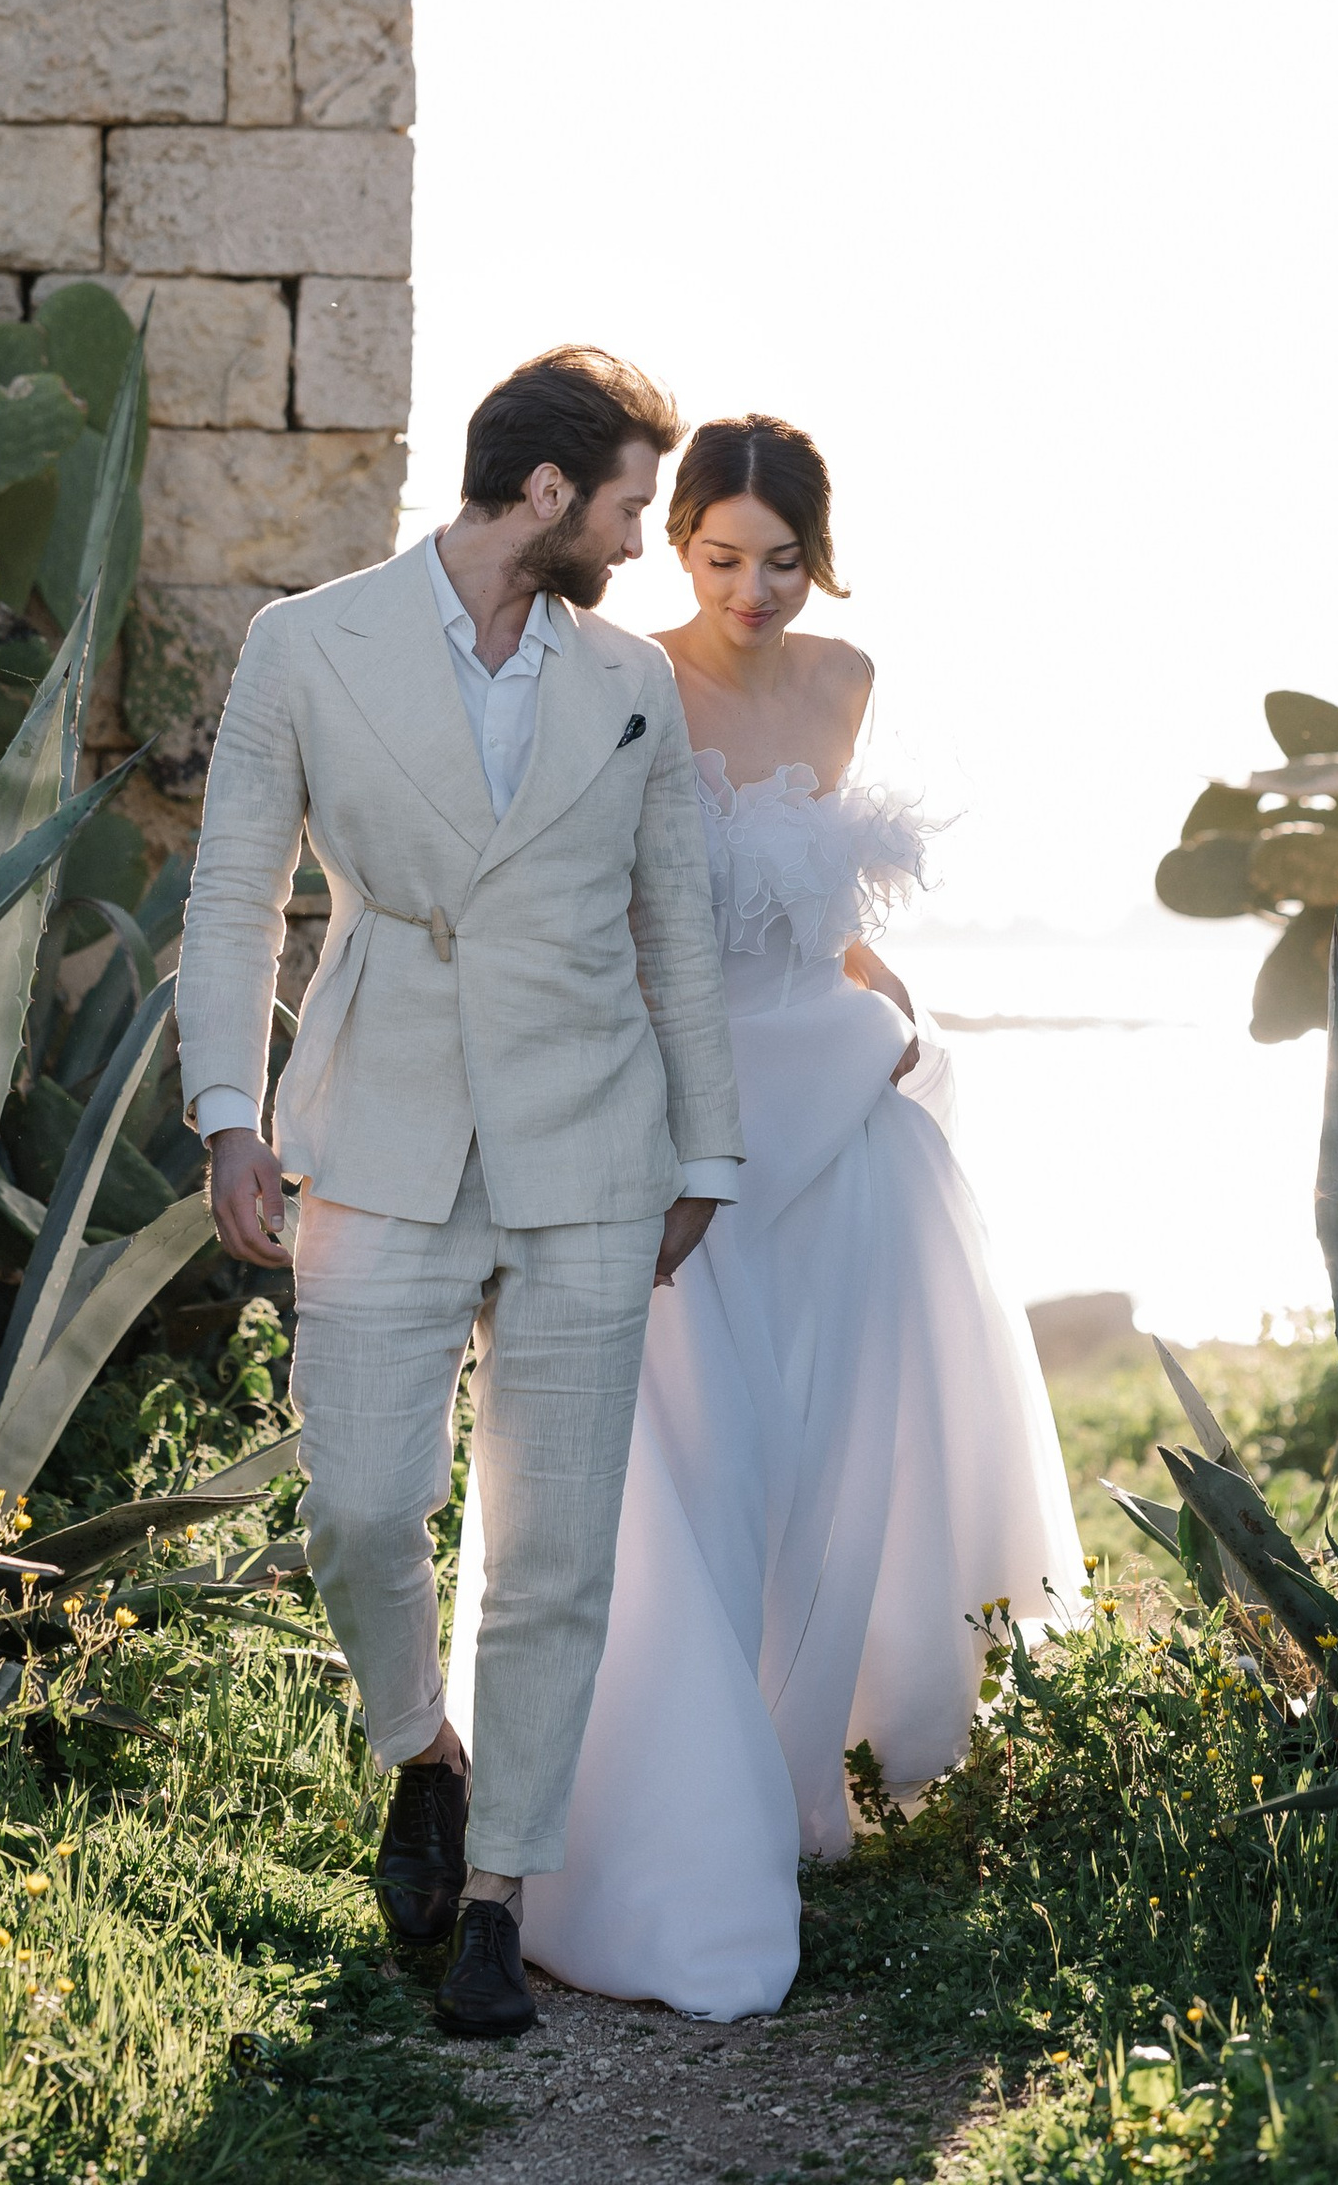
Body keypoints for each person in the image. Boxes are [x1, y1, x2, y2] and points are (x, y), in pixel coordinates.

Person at [449, 413, 1085, 2020]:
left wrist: (895, 997)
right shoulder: (622, 674)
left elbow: (815, 916)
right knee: (696, 1458)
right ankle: (658, 1809)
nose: (753, 590)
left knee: (828, 1449)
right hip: (684, 1127)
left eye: (782, 561)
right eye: (722, 558)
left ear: (819, 551)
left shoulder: (846, 682)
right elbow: (598, 907)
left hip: (840, 1103)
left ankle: (815, 1769)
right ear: (679, 552)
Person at [174, 346, 744, 2042]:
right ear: (551, 494)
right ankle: (422, 1747)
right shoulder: (306, 642)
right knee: (357, 1502)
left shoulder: (631, 680)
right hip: (378, 1134)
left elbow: (677, 938)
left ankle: (499, 1896)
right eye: (634, 504)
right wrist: (227, 1114)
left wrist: (703, 1154)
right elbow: (230, 895)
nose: (645, 540)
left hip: (589, 1145)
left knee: (556, 1548)